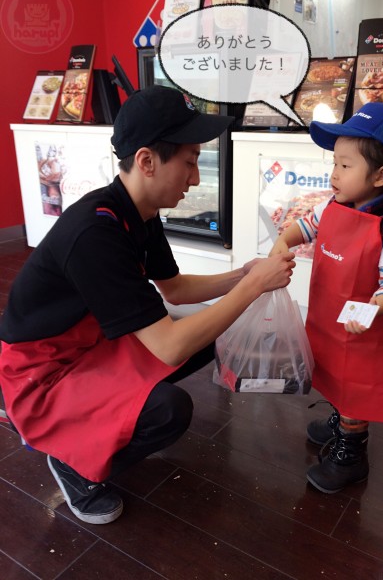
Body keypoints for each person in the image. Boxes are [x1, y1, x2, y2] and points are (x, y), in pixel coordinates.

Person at [0, 85, 295, 524]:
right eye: (190, 161)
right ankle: (73, 463)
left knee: (208, 334)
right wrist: (250, 290)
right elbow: (169, 346)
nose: (195, 178)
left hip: (86, 345)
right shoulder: (95, 233)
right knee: (170, 409)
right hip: (40, 374)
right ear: (146, 161)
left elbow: (174, 289)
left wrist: (244, 274)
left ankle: (93, 431)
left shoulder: (138, 211)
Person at [270, 102, 383, 494]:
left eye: (344, 165)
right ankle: (341, 420)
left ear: (381, 175)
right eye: (334, 163)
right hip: (328, 320)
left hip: (365, 333)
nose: (333, 173)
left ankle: (351, 453)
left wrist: (376, 305)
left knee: (356, 389)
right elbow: (302, 229)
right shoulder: (331, 206)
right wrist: (282, 244)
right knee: (333, 376)